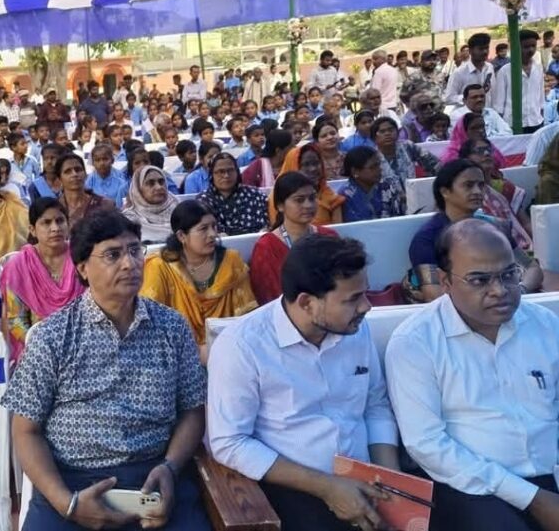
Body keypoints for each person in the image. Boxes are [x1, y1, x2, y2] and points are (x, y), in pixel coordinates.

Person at [2, 209, 210, 531]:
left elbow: (192, 411)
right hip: (71, 482)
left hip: (154, 475)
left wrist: (170, 467)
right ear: (83, 268)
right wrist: (68, 504)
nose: (130, 263)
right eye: (113, 255)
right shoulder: (53, 337)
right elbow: (25, 431)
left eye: (134, 250)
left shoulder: (172, 327)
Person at [210, 235, 398, 531]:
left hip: (366, 479)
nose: (366, 307)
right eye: (352, 299)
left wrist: (392, 481)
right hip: (294, 487)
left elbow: (375, 404)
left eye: (365, 293)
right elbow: (229, 442)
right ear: (307, 302)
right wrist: (327, 488)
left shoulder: (353, 328)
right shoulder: (243, 346)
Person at [387, 219, 559, 531]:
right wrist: (532, 498)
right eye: (479, 280)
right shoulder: (416, 342)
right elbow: (427, 444)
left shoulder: (545, 325)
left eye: (509, 274)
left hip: (551, 472)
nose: (500, 291)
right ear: (445, 281)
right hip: (473, 486)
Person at [408, 159, 542, 302]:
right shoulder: (427, 238)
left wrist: (520, 291)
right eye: (468, 185)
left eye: (481, 185)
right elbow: (434, 295)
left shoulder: (496, 227)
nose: (478, 191)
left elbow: (532, 268)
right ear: (445, 192)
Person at [141, 200, 256, 358]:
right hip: (178, 355)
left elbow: (248, 315)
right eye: (203, 229)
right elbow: (150, 325)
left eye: (214, 226)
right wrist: (195, 352)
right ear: (181, 236)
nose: (213, 234)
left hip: (229, 350)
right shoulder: (160, 267)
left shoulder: (231, 261)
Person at [0, 198, 84, 365]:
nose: (55, 228)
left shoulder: (82, 257)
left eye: (60, 221)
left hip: (82, 345)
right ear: (32, 230)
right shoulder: (19, 266)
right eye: (46, 222)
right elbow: (15, 319)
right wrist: (43, 346)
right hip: (37, 349)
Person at [252, 172, 339, 305]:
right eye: (299, 200)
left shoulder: (329, 237)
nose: (308, 205)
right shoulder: (267, 247)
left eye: (312, 198)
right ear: (280, 205)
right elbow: (269, 298)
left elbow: (343, 282)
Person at [459, 138, 533, 250]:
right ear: (466, 159)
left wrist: (541, 243)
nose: (486, 153)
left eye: (489, 150)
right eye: (479, 151)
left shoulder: (504, 187)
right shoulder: (461, 193)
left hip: (521, 247)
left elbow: (525, 222)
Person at [273, 144, 345, 226]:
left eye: (316, 163)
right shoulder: (279, 198)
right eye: (306, 164)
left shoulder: (332, 198)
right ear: (294, 166)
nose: (313, 169)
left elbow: (338, 230)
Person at [199, 152, 269, 236]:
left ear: (237, 172)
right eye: (221, 171)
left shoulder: (255, 195)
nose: (226, 175)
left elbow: (266, 225)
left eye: (230, 170)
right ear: (212, 174)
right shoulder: (203, 201)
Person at [491, 30, 545, 133]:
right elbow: (499, 104)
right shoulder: (505, 71)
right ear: (516, 47)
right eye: (526, 47)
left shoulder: (538, 68)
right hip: (512, 124)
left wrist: (541, 115)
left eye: (533, 46)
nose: (531, 50)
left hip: (536, 121)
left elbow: (541, 96)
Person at [338, 146, 403, 222]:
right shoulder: (345, 195)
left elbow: (398, 218)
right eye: (372, 167)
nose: (379, 169)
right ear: (355, 171)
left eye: (378, 164)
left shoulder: (387, 187)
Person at [121, 165, 178, 245]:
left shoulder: (179, 208)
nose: (159, 187)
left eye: (161, 182)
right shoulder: (129, 219)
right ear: (138, 189)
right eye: (151, 183)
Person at [56, 152, 114, 228]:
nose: (74, 174)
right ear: (59, 179)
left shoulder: (104, 204)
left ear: (85, 174)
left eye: (78, 170)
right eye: (68, 172)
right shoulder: (55, 207)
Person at [446, 33, 495, 105]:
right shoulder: (459, 72)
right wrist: (469, 97)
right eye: (481, 49)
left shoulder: (490, 68)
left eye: (487, 48)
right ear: (470, 51)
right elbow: (449, 98)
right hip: (467, 112)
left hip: (488, 110)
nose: (485, 52)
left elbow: (493, 93)